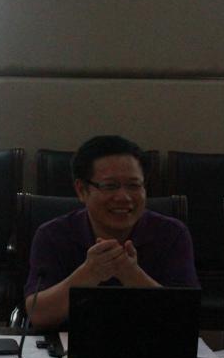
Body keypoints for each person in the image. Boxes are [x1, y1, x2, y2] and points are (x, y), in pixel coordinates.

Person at [24, 135, 198, 329]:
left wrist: (131, 274)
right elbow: (38, 315)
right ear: (82, 190)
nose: (123, 197)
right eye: (110, 186)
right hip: (68, 342)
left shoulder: (172, 234)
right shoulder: (52, 235)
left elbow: (185, 317)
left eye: (133, 185)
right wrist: (89, 273)